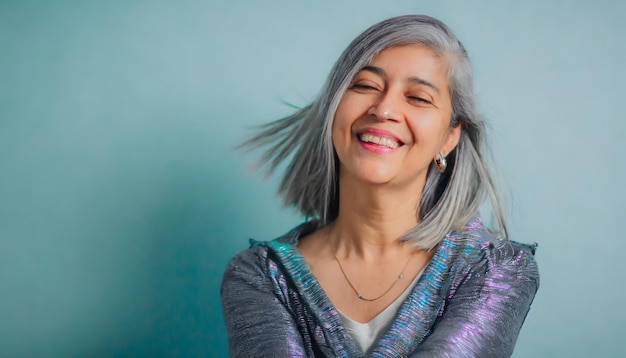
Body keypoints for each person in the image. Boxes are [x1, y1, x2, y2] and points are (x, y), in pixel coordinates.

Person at [221, 14, 539, 357]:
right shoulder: (259, 275)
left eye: (418, 97)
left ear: (449, 137)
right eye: (365, 86)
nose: (384, 109)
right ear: (333, 108)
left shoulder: (495, 269)